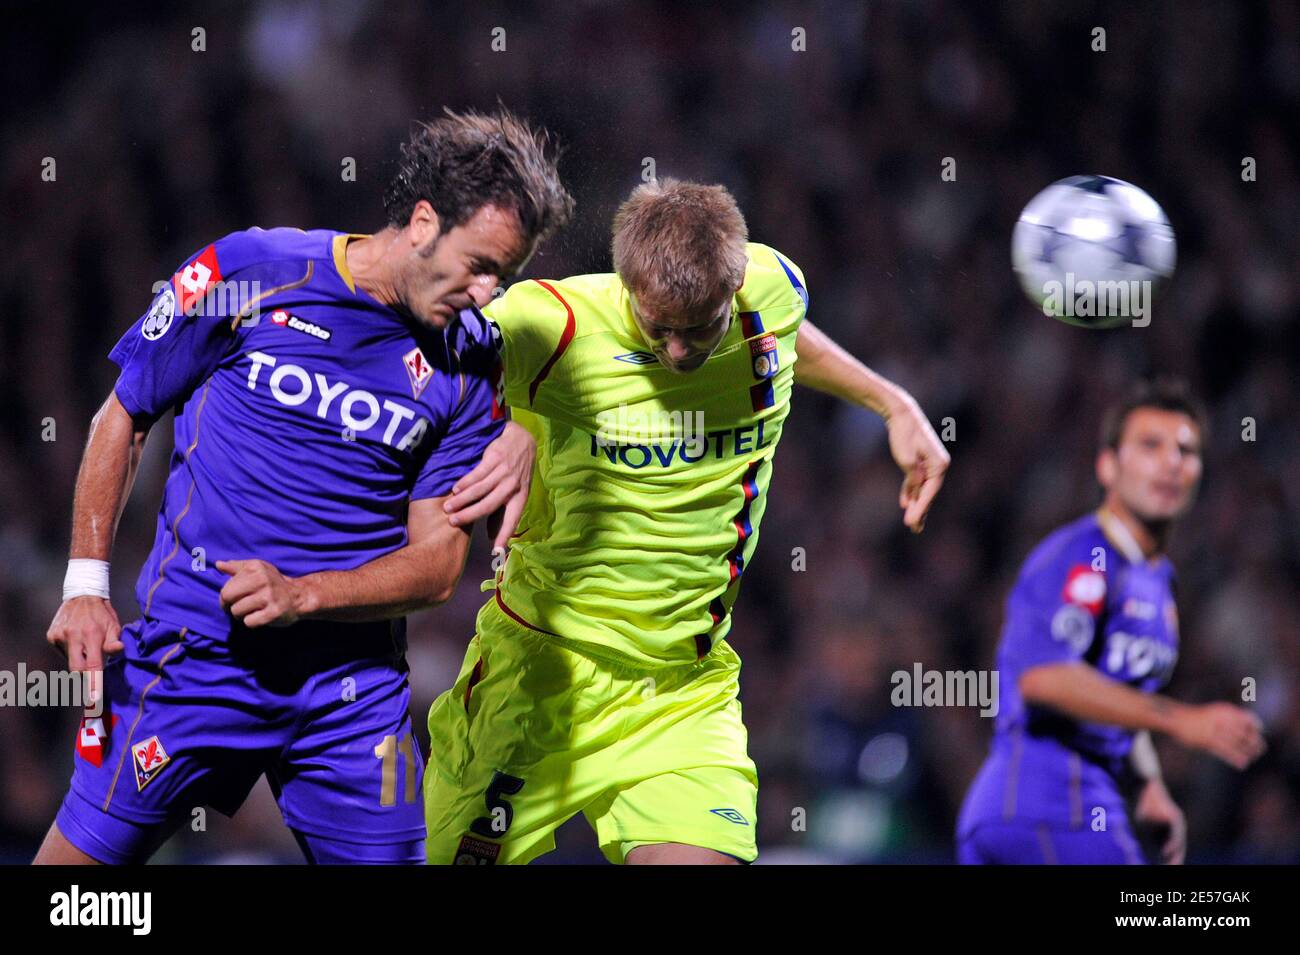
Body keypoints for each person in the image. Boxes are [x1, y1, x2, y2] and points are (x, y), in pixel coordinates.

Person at [36, 109, 573, 865]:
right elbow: (123, 414)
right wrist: (86, 583)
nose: (487, 293)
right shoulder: (248, 271)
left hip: (348, 700)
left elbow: (438, 565)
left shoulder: (472, 364)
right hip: (191, 659)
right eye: (479, 264)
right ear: (423, 222)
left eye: (504, 277)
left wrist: (303, 594)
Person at [425, 178, 949, 864]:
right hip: (535, 675)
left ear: (734, 287)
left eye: (698, 327)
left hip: (679, 693)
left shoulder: (774, 289)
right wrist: (512, 413)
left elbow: (788, 337)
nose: (677, 351)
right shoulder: (550, 323)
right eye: (658, 326)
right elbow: (419, 329)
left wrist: (891, 403)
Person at [956, 379, 1267, 865]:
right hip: (1050, 804)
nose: (1170, 462)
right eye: (1150, 445)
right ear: (1107, 465)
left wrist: (1149, 786)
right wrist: (1181, 720)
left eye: (1185, 450)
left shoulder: (1158, 578)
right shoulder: (1085, 555)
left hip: (1052, 809)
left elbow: (1115, 690)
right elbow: (1044, 676)